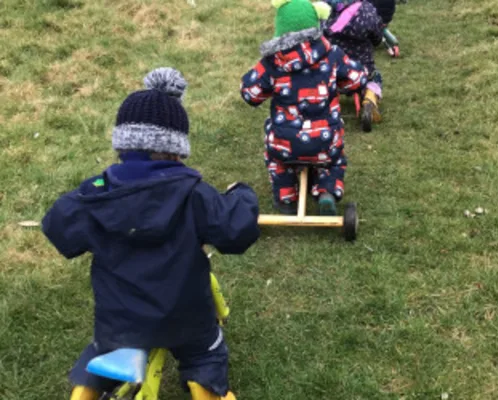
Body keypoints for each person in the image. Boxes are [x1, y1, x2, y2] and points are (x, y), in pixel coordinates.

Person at [43, 68, 259, 400]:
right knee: (205, 351)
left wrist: (87, 193)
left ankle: (87, 388)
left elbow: (58, 228)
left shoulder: (97, 195)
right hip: (185, 317)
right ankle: (205, 385)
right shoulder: (194, 193)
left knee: (104, 351)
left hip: (121, 319)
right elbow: (236, 230)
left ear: (122, 144)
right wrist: (241, 194)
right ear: (177, 149)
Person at [241, 0, 367, 216]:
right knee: (335, 159)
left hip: (285, 143)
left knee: (277, 159)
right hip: (324, 140)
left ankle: (286, 198)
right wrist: (339, 83)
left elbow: (250, 94)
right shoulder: (332, 54)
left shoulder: (272, 62)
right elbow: (357, 79)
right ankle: (327, 191)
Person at [324, 0, 384, 130]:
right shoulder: (367, 10)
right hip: (360, 72)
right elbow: (377, 38)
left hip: (332, 71)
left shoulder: (325, 8)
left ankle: (323, 103)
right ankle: (369, 98)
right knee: (375, 77)